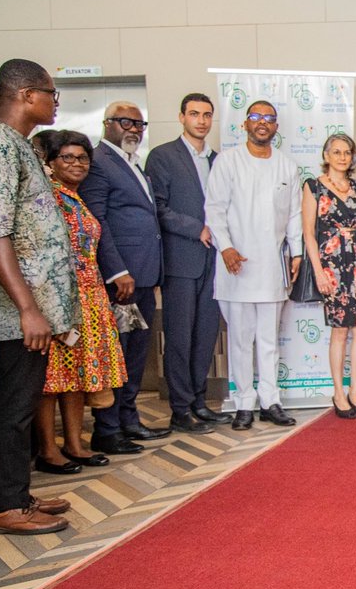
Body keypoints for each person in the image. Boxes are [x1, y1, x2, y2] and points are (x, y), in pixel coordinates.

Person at [0, 58, 76, 534]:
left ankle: (15, 492)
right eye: (52, 93)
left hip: (33, 308)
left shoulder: (17, 146)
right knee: (11, 406)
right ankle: (4, 507)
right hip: (17, 310)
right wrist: (28, 307)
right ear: (28, 95)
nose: (55, 102)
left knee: (20, 404)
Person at [204, 100, 302, 431]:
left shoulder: (287, 166)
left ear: (276, 127)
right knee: (241, 340)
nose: (263, 123)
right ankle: (244, 403)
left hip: (272, 267)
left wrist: (297, 253)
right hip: (235, 266)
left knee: (269, 340)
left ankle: (270, 401)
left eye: (269, 119)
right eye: (256, 117)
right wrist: (227, 248)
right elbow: (214, 209)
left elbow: (294, 215)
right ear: (245, 123)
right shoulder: (228, 162)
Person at [32, 130, 126, 473]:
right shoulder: (48, 199)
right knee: (52, 380)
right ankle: (48, 450)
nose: (77, 164)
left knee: (78, 376)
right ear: (51, 163)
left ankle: (74, 444)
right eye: (67, 158)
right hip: (57, 299)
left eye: (82, 158)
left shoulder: (77, 197)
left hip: (89, 296)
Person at [80, 100, 170, 454]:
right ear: (107, 124)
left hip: (145, 275)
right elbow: (97, 222)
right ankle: (108, 429)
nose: (133, 128)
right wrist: (118, 271)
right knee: (117, 355)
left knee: (134, 353)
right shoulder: (99, 163)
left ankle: (129, 421)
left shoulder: (133, 163)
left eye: (139, 123)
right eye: (125, 122)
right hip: (122, 280)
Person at [144, 92, 226, 434]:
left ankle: (198, 401)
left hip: (216, 261)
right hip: (181, 260)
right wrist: (198, 229)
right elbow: (157, 208)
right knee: (179, 337)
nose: (202, 120)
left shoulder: (220, 159)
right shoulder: (162, 157)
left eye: (207, 114)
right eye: (194, 114)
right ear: (182, 117)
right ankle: (180, 409)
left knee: (206, 336)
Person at [301, 133, 356, 419]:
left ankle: (355, 391)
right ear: (326, 155)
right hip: (332, 262)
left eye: (347, 153)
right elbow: (308, 232)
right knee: (340, 329)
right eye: (337, 152)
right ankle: (338, 392)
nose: (343, 157)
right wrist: (319, 271)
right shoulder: (314, 187)